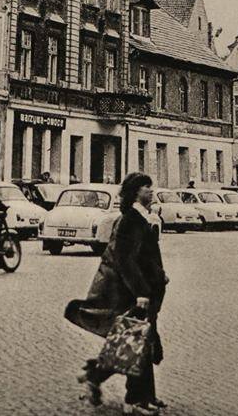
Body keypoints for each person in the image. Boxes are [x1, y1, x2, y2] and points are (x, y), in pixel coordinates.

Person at [66, 172, 168, 415]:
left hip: (144, 290)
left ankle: (140, 394)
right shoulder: (130, 220)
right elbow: (125, 260)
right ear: (135, 192)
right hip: (133, 294)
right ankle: (134, 399)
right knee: (137, 342)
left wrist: (159, 274)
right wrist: (141, 292)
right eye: (146, 187)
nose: (151, 190)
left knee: (140, 341)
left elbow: (145, 256)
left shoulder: (141, 217)